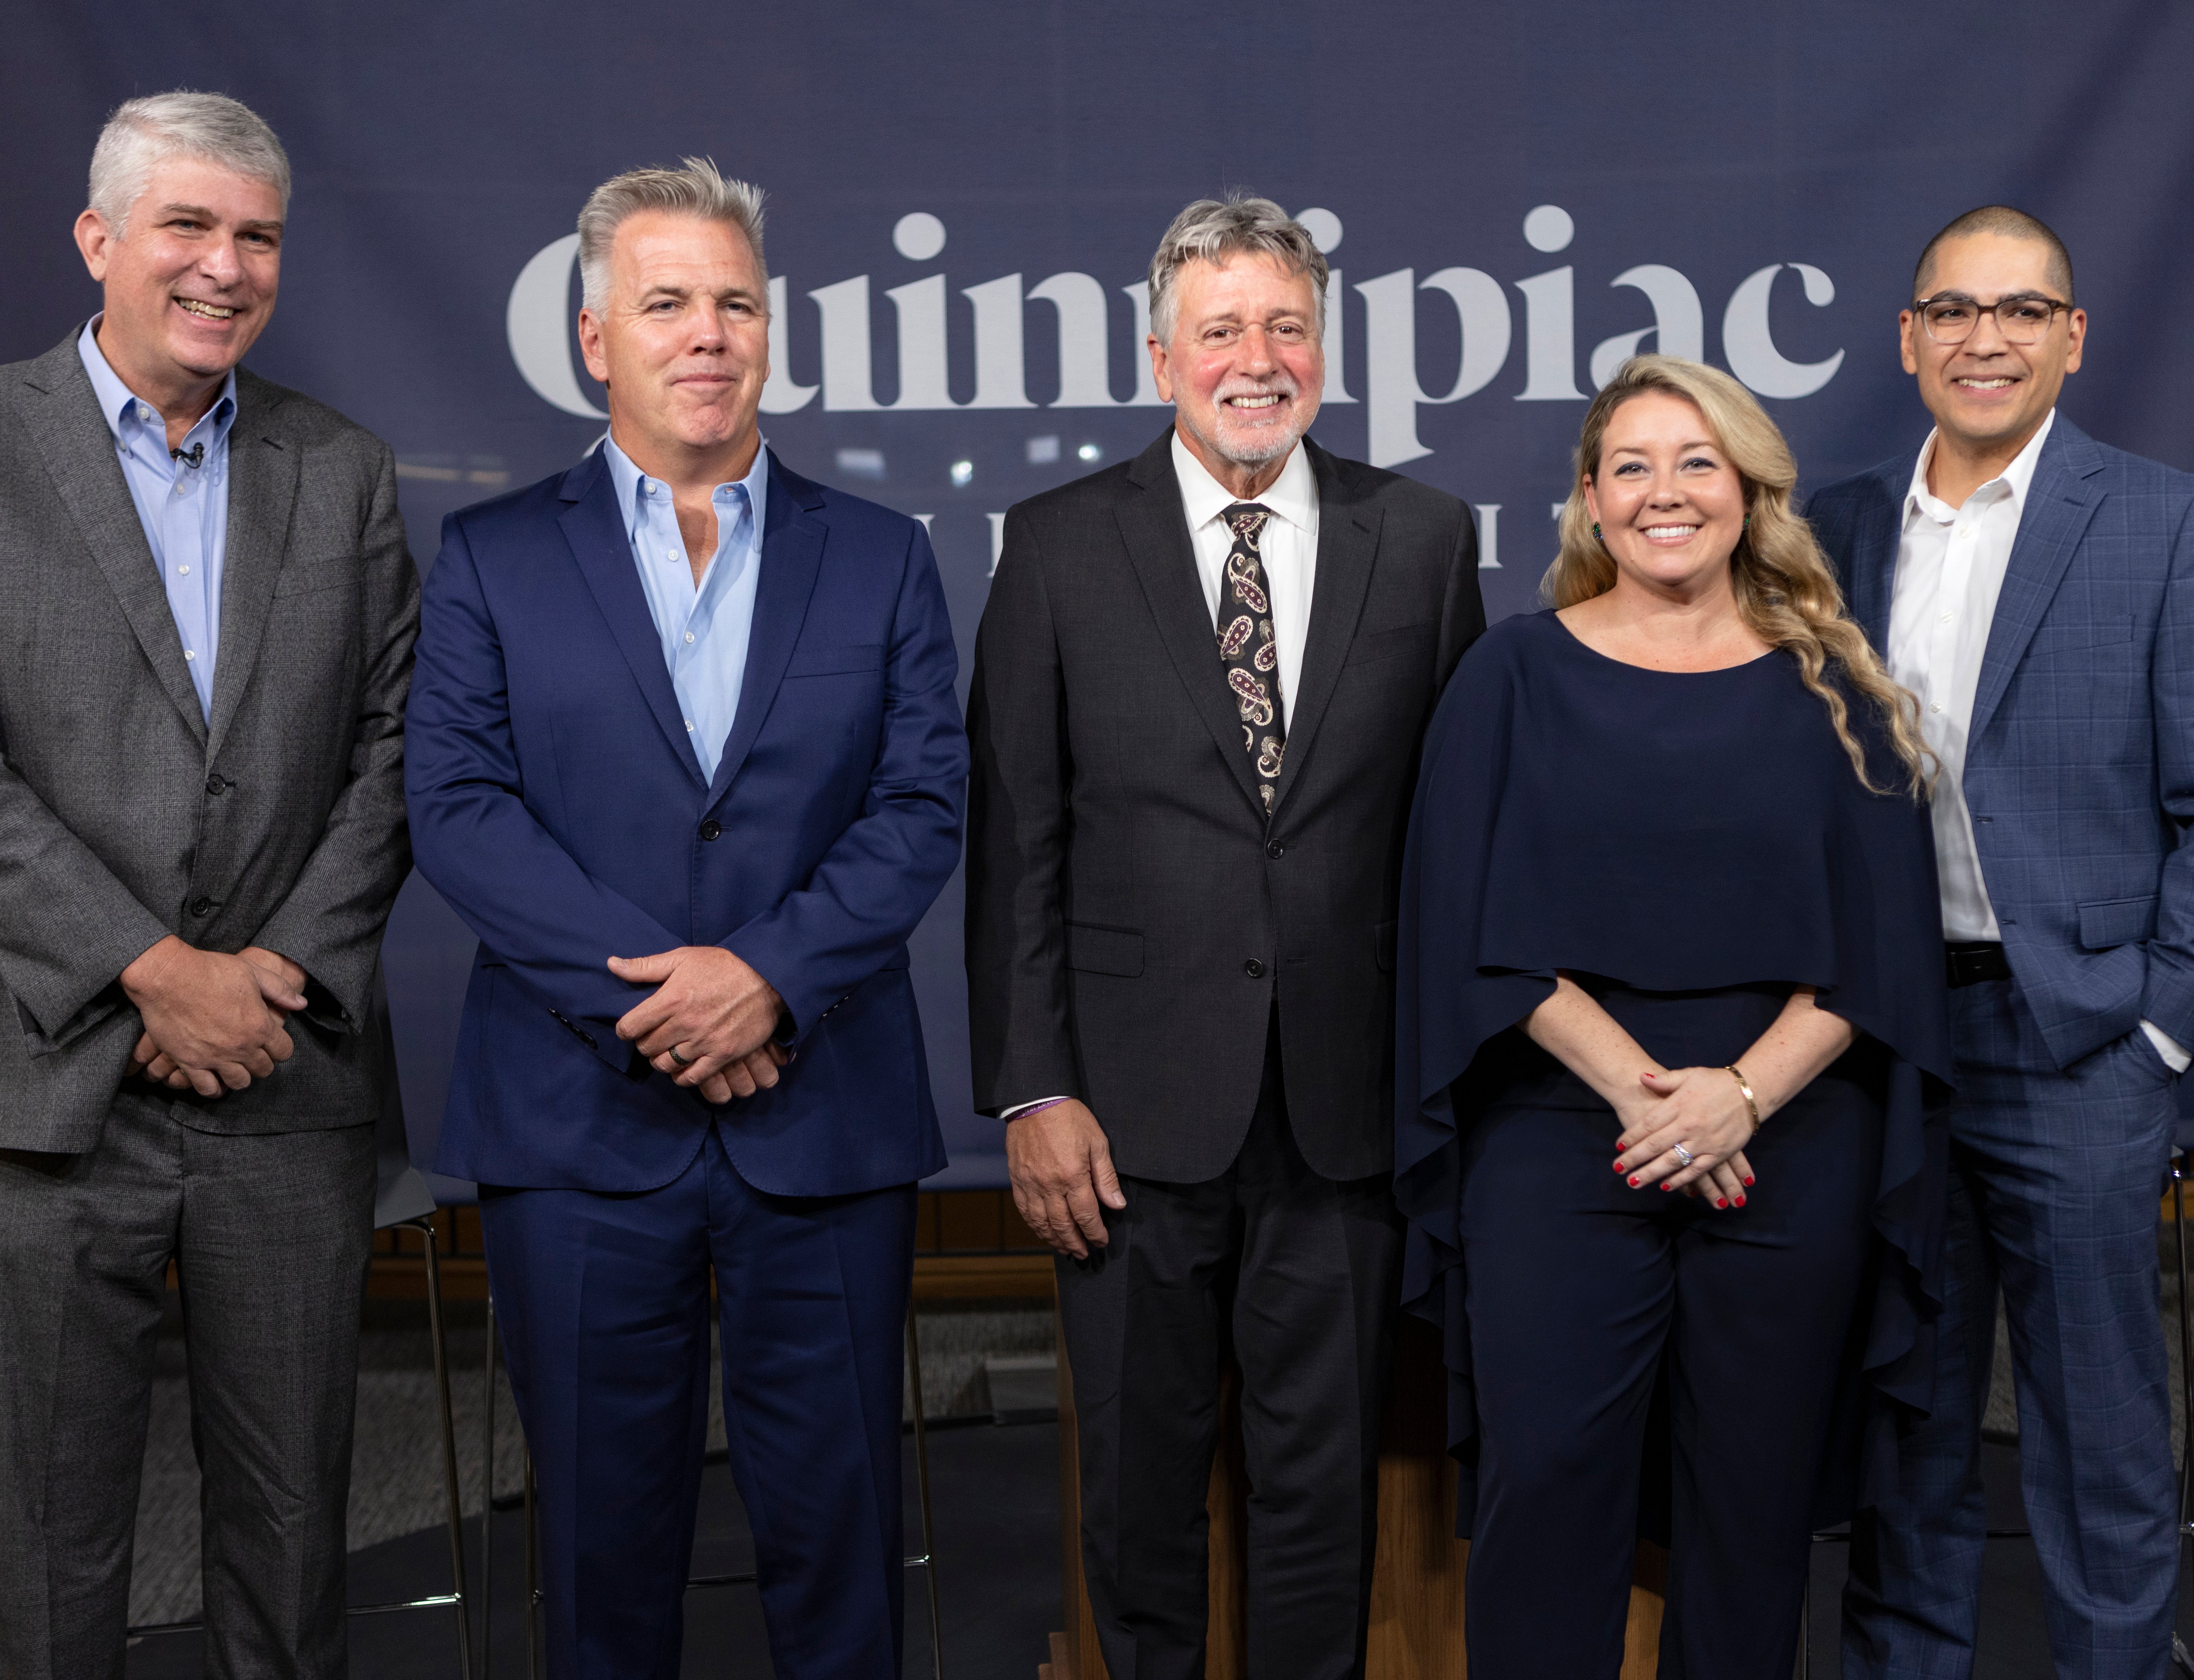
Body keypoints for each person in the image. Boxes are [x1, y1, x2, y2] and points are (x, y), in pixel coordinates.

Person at [405, 158, 965, 1679]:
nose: (706, 332)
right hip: (576, 1126)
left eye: (734, 301)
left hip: (824, 1114)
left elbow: (921, 807)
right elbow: (455, 804)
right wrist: (663, 1000)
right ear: (598, 338)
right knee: (597, 1555)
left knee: (844, 1545)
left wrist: (767, 980)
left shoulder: (884, 555)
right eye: (667, 303)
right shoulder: (491, 557)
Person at [0, 92, 417, 1676]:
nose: (225, 266)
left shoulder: (345, 467)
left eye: (257, 236)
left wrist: (270, 976)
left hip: (280, 1066)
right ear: (99, 240)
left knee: (294, 1532)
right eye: (189, 226)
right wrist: (149, 967)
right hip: (50, 1086)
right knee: (47, 1543)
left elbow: (395, 750)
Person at [966, 191, 1486, 1677]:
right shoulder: (1058, 545)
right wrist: (1034, 1086)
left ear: (1321, 345)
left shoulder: (1426, 540)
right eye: (1220, 330)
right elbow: (1016, 837)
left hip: (1347, 1107)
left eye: (1285, 326)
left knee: (1319, 1496)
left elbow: (1450, 840)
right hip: (1122, 1116)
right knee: (1138, 1497)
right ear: (1157, 355)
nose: (1255, 358)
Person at [1393, 354, 1950, 1679]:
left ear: (1752, 492)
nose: (1665, 494)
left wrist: (1737, 1096)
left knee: (1750, 1519)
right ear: (1590, 500)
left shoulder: (1840, 686)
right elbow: (1459, 929)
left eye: (1698, 463)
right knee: (1550, 1493)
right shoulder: (1510, 678)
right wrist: (1649, 1091)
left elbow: (1884, 959)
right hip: (1561, 1140)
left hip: (1789, 1144)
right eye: (1631, 466)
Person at [1815, 207, 2194, 1680]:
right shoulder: (1837, 530)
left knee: (2097, 1432)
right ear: (1909, 337)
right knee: (1908, 1422)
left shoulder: (2170, 521)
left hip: (2078, 1045)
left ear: (2072, 337)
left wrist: (2160, 1024)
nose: (1987, 338)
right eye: (1956, 309)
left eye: (2022, 310)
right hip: (1885, 1046)